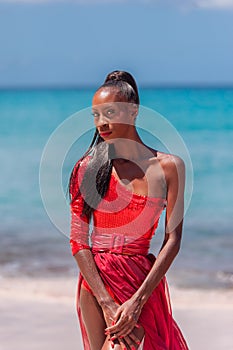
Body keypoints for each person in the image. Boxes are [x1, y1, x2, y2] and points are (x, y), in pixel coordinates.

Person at [69, 70, 189, 350]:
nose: (102, 122)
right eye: (96, 115)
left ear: (133, 112)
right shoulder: (88, 168)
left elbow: (173, 240)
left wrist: (138, 300)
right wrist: (106, 302)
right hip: (96, 284)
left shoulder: (170, 167)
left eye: (109, 112)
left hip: (141, 284)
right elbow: (78, 242)